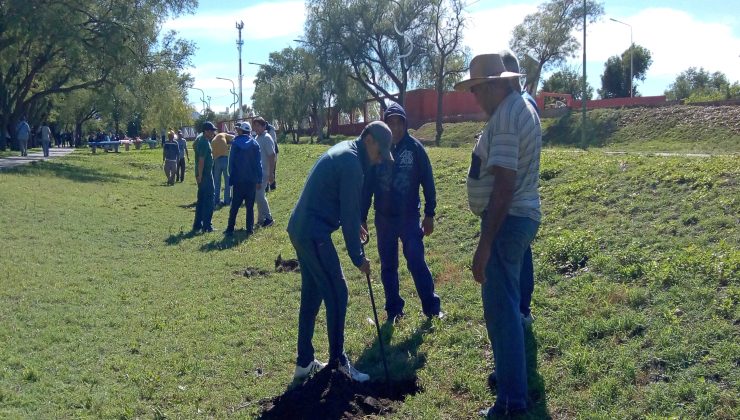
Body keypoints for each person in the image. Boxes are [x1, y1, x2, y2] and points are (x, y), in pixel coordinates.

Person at [455, 53, 542, 417]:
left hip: (506, 221)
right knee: (506, 306)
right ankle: (511, 376)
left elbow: (504, 184)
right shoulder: (520, 107)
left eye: (477, 89)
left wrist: (484, 244)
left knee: (501, 310)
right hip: (515, 217)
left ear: (495, 84)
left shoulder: (507, 115)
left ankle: (511, 402)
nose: (475, 97)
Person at [287, 121, 394, 384]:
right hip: (313, 233)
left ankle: (304, 363)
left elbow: (345, 205)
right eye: (380, 152)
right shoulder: (351, 163)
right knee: (338, 291)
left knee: (312, 295)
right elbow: (348, 214)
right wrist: (359, 258)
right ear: (368, 139)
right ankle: (338, 362)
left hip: (301, 229)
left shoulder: (348, 152)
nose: (380, 160)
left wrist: (355, 221)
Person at [361, 102, 442, 323]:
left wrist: (430, 213)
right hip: (383, 219)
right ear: (385, 125)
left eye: (399, 122)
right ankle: (394, 310)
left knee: (416, 260)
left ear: (405, 124)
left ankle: (432, 308)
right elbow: (367, 187)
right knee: (388, 266)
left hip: (409, 218)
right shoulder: (377, 150)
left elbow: (428, 181)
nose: (395, 127)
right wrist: (362, 218)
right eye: (391, 122)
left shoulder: (415, 149)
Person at [499, 50, 540, 328]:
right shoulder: (526, 105)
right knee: (523, 256)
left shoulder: (517, 109)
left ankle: (519, 313)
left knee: (513, 268)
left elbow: (506, 170)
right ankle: (522, 311)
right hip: (523, 204)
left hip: (513, 207)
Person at [224, 122, 262, 235]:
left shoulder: (235, 144)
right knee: (250, 207)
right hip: (251, 181)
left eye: (238, 130)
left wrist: (231, 177)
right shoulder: (255, 144)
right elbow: (258, 164)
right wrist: (259, 179)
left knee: (235, 205)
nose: (236, 131)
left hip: (238, 181)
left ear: (241, 131)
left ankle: (230, 228)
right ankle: (249, 230)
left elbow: (231, 164)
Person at [192, 121, 218, 233]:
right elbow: (201, 160)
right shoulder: (204, 142)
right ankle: (207, 225)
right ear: (206, 131)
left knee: (201, 199)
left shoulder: (201, 140)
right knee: (209, 200)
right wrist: (200, 175)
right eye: (211, 130)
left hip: (203, 174)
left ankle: (198, 224)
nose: (213, 132)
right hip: (206, 175)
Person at [252, 117, 275, 228]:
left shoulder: (267, 138)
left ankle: (269, 219)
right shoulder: (257, 137)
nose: (255, 128)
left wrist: (271, 173)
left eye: (257, 125)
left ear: (263, 126)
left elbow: (272, 155)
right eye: (254, 126)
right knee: (258, 196)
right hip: (257, 172)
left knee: (260, 196)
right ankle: (261, 219)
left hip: (265, 171)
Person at [211, 127, 233, 206]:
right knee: (227, 181)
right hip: (225, 159)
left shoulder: (213, 141)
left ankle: (216, 200)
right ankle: (227, 200)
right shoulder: (223, 134)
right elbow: (233, 138)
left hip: (216, 160)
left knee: (217, 182)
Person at [266, 122, 278, 190]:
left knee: (272, 169)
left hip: (273, 151)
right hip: (266, 151)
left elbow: (273, 141)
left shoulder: (271, 129)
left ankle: (272, 185)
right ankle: (266, 187)